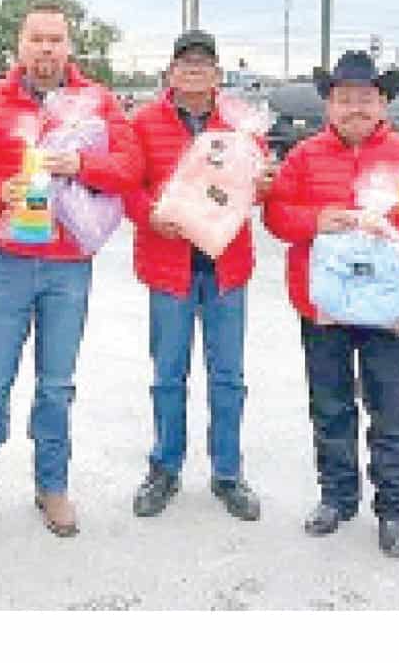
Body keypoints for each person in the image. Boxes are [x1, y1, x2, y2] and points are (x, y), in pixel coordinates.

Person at [0, 1, 142, 538]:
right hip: (7, 262)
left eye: (56, 39)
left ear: (70, 46)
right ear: (20, 45)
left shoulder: (96, 102)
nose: (47, 49)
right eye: (37, 39)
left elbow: (130, 168)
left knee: (55, 385)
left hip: (68, 266)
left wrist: (82, 164)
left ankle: (52, 486)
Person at [264, 50, 399, 558]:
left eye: (365, 98)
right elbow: (277, 217)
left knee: (391, 410)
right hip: (324, 305)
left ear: (384, 102)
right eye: (344, 99)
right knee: (330, 406)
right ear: (328, 105)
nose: (355, 108)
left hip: (390, 308)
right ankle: (337, 498)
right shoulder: (303, 157)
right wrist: (315, 220)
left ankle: (393, 510)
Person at [124, 29, 273, 521]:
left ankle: (228, 473)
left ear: (218, 75)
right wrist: (151, 214)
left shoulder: (244, 125)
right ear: (170, 72)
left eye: (203, 65)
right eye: (185, 64)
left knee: (228, 377)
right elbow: (128, 188)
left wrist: (265, 185)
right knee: (168, 375)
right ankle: (164, 468)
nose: (193, 72)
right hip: (170, 267)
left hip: (227, 267)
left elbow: (260, 188)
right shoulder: (144, 122)